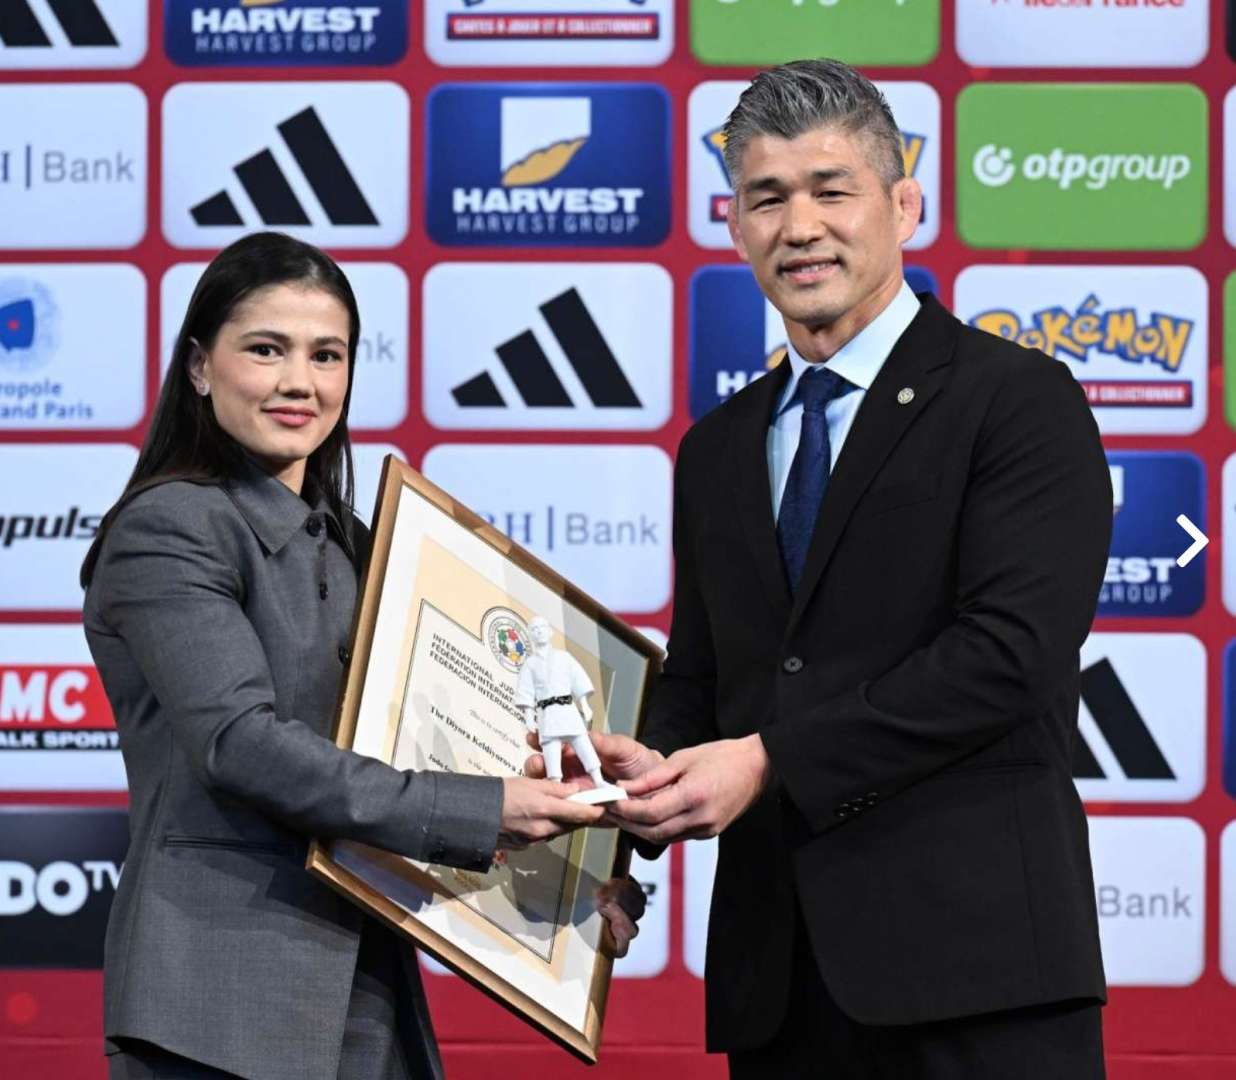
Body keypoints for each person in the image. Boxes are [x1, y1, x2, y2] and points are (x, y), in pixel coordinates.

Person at [531, 60, 1113, 1077]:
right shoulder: (716, 448)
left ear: (904, 205)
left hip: (980, 980)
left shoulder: (1017, 400)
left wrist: (767, 761)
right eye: (768, 198)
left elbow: (1008, 656)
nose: (799, 226)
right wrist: (622, 807)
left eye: (831, 191)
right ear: (735, 226)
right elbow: (708, 678)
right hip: (781, 987)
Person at [81, 233, 644, 1080]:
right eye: (265, 350)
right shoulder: (169, 528)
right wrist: (490, 808)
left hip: (368, 986)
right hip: (218, 1000)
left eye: (327, 355)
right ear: (199, 366)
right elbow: (240, 743)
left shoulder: (360, 546)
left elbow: (438, 755)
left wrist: (575, 875)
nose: (299, 382)